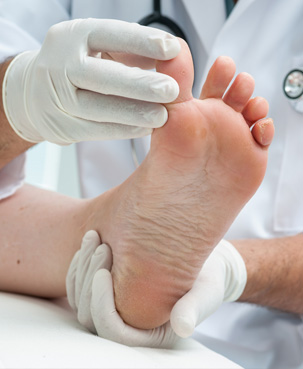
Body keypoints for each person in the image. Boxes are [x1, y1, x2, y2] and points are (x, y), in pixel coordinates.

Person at [0, 1, 302, 368]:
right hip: (90, 314)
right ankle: (111, 231)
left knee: (86, 241)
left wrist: (237, 267)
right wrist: (18, 97)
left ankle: (109, 238)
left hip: (284, 346)